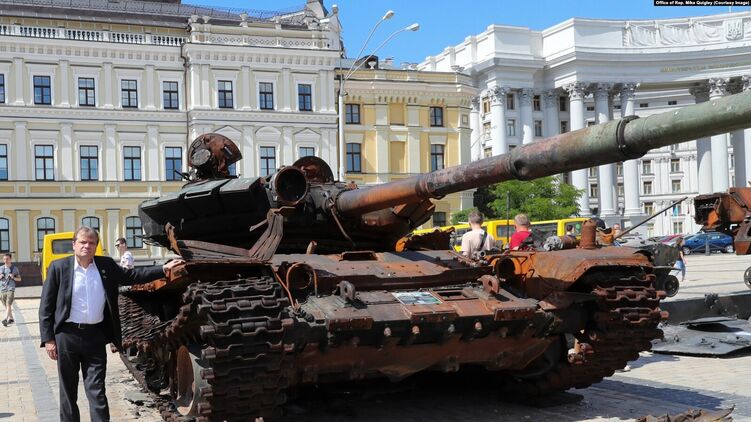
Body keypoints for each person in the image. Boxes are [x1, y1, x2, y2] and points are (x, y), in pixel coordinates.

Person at [39, 226, 184, 422]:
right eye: (82, 242)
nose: (87, 246)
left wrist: (163, 269)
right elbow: (46, 306)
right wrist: (48, 339)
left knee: (97, 390)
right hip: (67, 336)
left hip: (95, 337)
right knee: (68, 391)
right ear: (74, 244)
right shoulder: (59, 268)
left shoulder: (105, 265)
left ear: (96, 246)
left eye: (91, 243)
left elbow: (131, 276)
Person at [0, 253, 21, 326]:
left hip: (10, 288)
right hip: (2, 288)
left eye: (7, 259)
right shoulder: (1, 268)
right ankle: (11, 318)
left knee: (8, 304)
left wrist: (13, 277)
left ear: (10, 259)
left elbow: (19, 279)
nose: (5, 261)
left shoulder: (14, 269)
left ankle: (5, 319)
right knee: (6, 305)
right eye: (4, 259)